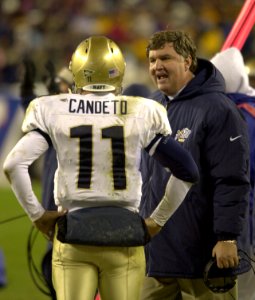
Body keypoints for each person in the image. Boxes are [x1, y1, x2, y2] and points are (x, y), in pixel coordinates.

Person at [3, 36, 199, 300]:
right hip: (125, 236)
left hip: (73, 232)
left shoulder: (53, 108)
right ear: (119, 71)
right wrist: (158, 220)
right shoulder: (141, 110)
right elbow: (187, 170)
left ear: (76, 71)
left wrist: (37, 215)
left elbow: (14, 164)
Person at [139, 30, 250, 300]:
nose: (157, 66)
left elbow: (231, 179)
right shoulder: (152, 106)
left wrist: (226, 238)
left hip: (203, 255)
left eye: (165, 58)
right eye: (152, 60)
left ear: (188, 61)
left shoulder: (219, 109)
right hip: (155, 254)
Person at [211, 47, 255, 300]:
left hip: (241, 221)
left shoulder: (234, 116)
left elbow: (237, 175)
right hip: (244, 215)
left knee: (239, 291)